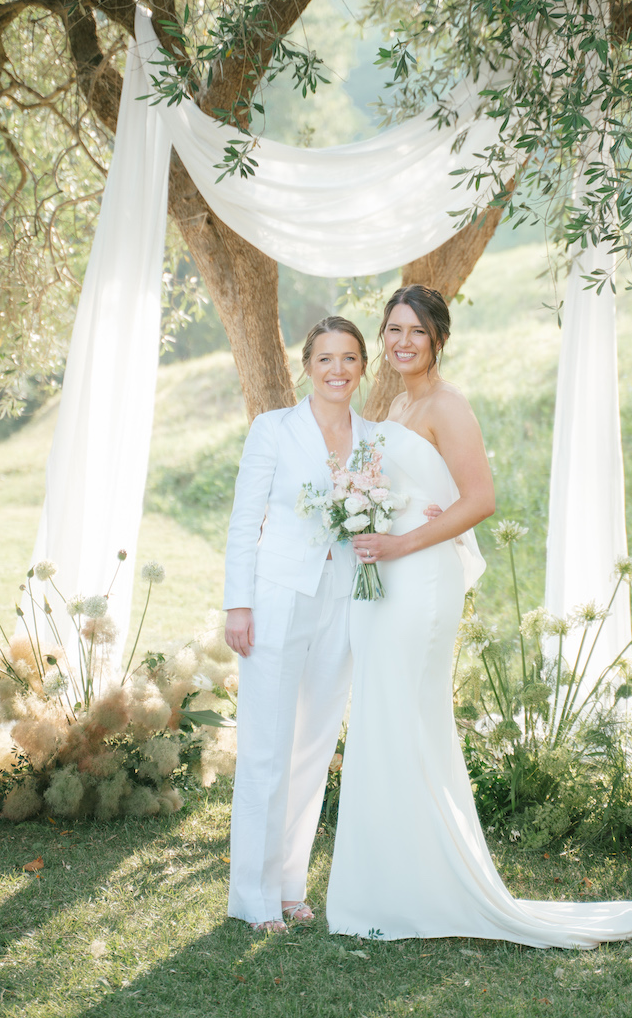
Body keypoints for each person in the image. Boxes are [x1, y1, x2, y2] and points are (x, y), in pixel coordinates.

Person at [326, 285, 632, 948]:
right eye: (395, 329)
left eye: (417, 333)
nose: (403, 342)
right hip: (378, 585)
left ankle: (424, 888)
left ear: (438, 339)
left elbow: (480, 498)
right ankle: (392, 882)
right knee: (382, 719)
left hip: (419, 581)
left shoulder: (447, 404)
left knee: (409, 719)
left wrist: (402, 540)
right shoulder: (388, 400)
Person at [223, 315, 373, 932]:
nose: (338, 370)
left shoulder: (374, 437)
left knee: (313, 749)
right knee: (265, 747)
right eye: (325, 359)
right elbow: (244, 520)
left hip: (342, 603)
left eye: (350, 359)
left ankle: (288, 883)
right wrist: (239, 604)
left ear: (363, 367)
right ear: (307, 366)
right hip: (276, 599)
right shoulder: (274, 430)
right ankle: (253, 898)